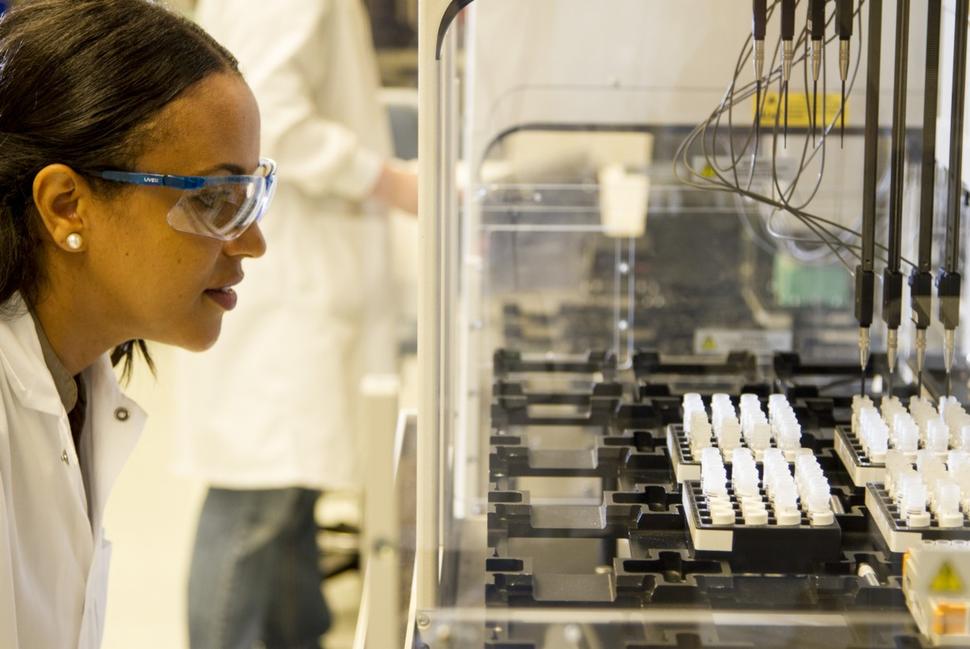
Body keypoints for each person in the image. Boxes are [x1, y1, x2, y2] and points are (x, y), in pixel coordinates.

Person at [0, 1, 271, 647]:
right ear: (67, 205)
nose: (253, 241)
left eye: (252, 195)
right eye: (212, 198)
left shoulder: (73, 380)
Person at [176, 1, 418, 647]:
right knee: (254, 503)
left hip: (302, 279)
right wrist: (391, 183)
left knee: (288, 501)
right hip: (285, 284)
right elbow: (269, 114)